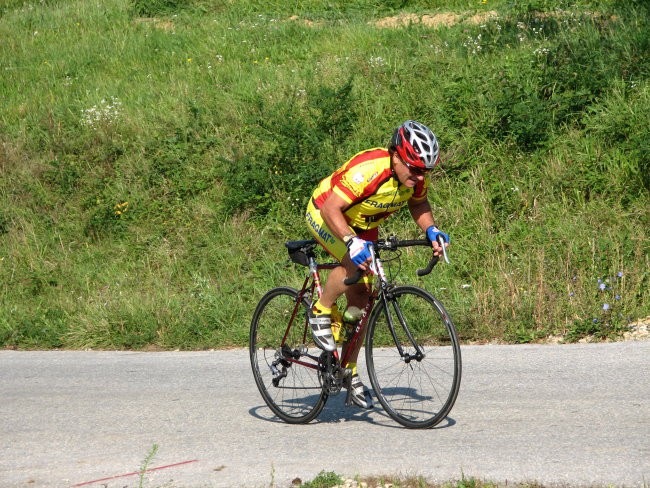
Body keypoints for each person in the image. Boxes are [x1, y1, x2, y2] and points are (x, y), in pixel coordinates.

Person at [304, 120, 450, 409]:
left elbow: (418, 204)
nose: (421, 177)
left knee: (364, 298)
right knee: (353, 264)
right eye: (416, 169)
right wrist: (350, 240)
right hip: (326, 213)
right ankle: (320, 310)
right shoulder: (370, 170)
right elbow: (331, 208)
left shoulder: (415, 176)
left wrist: (431, 230)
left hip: (363, 224)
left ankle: (348, 369)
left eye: (426, 172)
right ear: (396, 156)